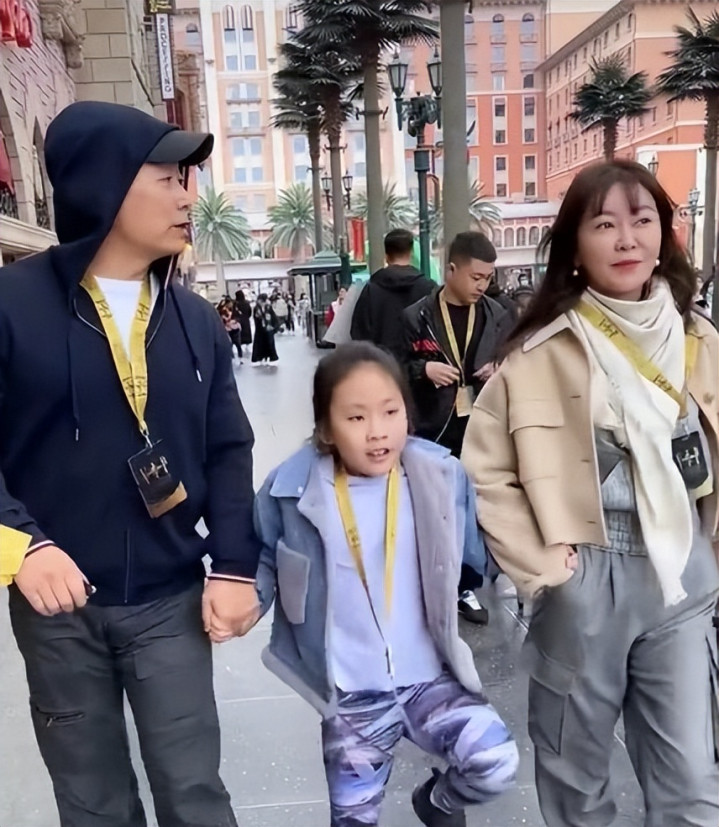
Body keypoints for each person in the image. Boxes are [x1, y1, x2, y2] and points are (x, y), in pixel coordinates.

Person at [0, 101, 261, 826]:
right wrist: (21, 546)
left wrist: (235, 567)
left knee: (194, 793)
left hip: (170, 599)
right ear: (105, 184)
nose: (187, 199)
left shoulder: (195, 319)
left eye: (187, 181)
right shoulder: (11, 305)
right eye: (168, 179)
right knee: (92, 803)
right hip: (57, 609)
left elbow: (228, 448)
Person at [462, 160, 719, 826]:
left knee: (691, 780)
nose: (626, 239)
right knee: (576, 779)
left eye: (642, 220)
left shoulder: (698, 339)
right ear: (574, 246)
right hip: (583, 575)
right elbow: (486, 470)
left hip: (681, 576)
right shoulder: (538, 352)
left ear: (664, 234)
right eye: (604, 225)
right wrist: (544, 569)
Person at [254, 342, 519, 827]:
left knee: (495, 761)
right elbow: (266, 559)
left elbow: (478, 547)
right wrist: (242, 603)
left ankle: (435, 804)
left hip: (428, 682)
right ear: (325, 429)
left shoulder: (438, 476)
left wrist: (536, 562)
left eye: (390, 412)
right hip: (353, 696)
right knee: (354, 818)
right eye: (356, 418)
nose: (377, 431)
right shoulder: (290, 490)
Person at [402, 231, 514, 625]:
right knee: (439, 509)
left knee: (476, 506)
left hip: (483, 424)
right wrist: (424, 369)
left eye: (488, 278)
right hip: (434, 426)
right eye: (476, 277)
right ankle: (438, 585)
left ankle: (470, 582)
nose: (482, 286)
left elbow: (519, 357)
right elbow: (392, 366)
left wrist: (501, 367)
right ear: (451, 270)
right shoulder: (417, 317)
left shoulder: (499, 315)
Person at [350, 228, 435, 359]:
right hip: (420, 364)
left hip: (382, 364)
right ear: (411, 252)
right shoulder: (428, 288)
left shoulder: (371, 289)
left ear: (387, 256)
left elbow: (359, 333)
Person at [252, 293, 279, 365]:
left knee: (269, 343)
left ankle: (270, 357)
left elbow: (273, 316)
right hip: (260, 329)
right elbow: (255, 317)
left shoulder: (268, 307)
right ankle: (260, 358)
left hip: (268, 328)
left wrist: (274, 326)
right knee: (260, 344)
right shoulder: (256, 308)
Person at [234, 289, 253, 357]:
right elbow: (250, 312)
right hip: (246, 319)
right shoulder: (247, 303)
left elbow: (234, 312)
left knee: (240, 332)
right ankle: (247, 342)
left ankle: (241, 343)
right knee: (247, 332)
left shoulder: (236, 303)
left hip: (239, 320)